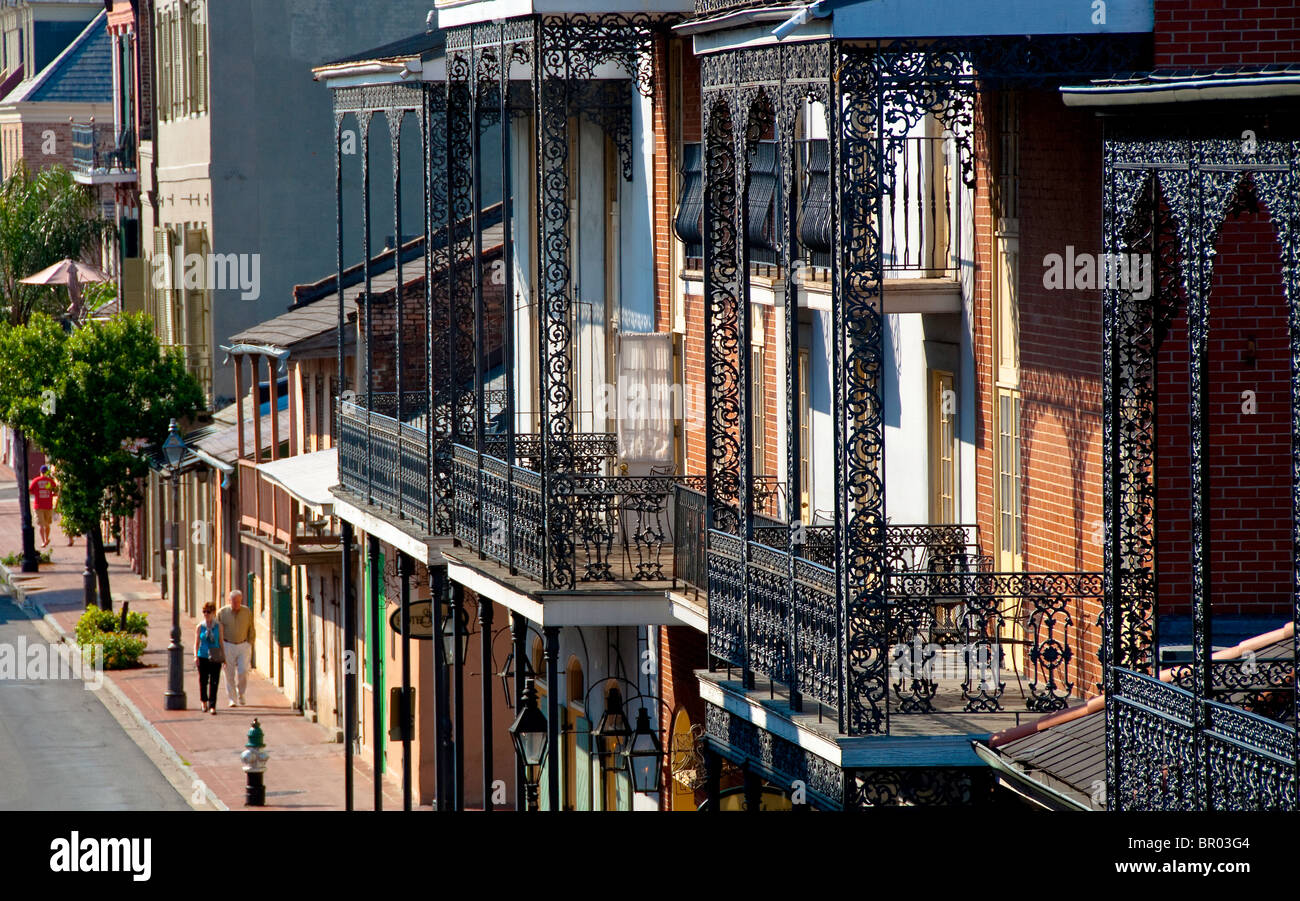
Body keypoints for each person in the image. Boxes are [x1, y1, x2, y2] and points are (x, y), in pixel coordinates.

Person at [216, 589, 254, 707]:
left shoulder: (246, 611)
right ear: (229, 601)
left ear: (241, 600)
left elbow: (251, 628)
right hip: (228, 645)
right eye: (233, 602)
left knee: (243, 671)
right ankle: (232, 698)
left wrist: (250, 643)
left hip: (243, 645)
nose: (236, 604)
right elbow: (217, 631)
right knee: (229, 673)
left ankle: (241, 693)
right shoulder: (222, 613)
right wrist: (220, 649)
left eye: (238, 601)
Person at [194, 602, 222, 714]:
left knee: (214, 681)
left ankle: (212, 705)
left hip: (215, 654)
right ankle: (204, 702)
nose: (206, 614)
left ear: (213, 613)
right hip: (203, 655)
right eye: (204, 612)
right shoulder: (200, 627)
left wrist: (223, 657)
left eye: (208, 612)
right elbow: (196, 643)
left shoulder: (218, 626)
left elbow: (221, 642)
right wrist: (195, 656)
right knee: (203, 680)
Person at [27, 465, 57, 548]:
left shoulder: (36, 481)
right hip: (48, 506)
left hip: (38, 506)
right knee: (47, 525)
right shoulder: (50, 481)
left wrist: (36, 494)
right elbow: (55, 492)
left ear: (40, 472)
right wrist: (51, 494)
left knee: (41, 525)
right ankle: (46, 539)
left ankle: (44, 540)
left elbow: (29, 491)